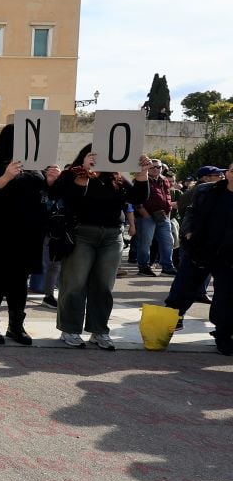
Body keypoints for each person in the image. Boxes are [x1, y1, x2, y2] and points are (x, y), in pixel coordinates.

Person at [51, 146, 151, 348]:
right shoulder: (71, 174)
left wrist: (143, 174)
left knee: (104, 286)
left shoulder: (117, 177)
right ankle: (69, 329)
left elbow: (138, 199)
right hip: (82, 233)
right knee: (75, 284)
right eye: (93, 156)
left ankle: (99, 330)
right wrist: (84, 173)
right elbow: (67, 196)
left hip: (112, 236)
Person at [0, 125, 60, 345]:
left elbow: (45, 196)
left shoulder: (35, 168)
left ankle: (16, 326)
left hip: (29, 233)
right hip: (1, 232)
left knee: (19, 281)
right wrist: (5, 177)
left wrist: (51, 181)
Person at [167, 164, 233, 355]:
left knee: (225, 298)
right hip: (200, 249)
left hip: (228, 256)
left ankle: (223, 335)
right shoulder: (207, 190)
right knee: (181, 292)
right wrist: (187, 232)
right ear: (227, 174)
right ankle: (163, 328)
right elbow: (191, 211)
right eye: (231, 170)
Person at [133, 159, 175, 276]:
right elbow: (137, 200)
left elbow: (168, 198)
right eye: (153, 167)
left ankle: (167, 267)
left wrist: (168, 214)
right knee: (145, 243)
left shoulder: (164, 180)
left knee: (168, 241)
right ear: (148, 167)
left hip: (163, 216)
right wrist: (145, 215)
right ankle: (143, 267)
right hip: (147, 216)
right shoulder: (141, 179)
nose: (156, 169)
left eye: (159, 167)